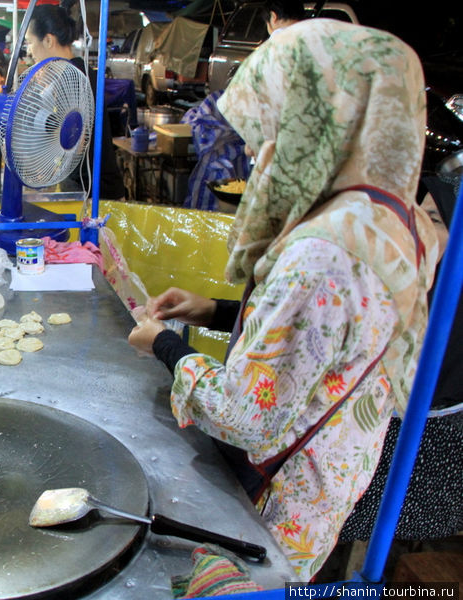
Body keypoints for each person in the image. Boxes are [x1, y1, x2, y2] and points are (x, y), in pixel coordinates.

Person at [126, 19, 438, 580]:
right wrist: (216, 310)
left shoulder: (322, 253)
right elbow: (326, 342)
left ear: (314, 120)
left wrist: (167, 346)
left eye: (270, 121)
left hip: (270, 510)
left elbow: (248, 417)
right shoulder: (399, 222)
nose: (253, 145)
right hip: (327, 483)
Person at [26, 5, 125, 200]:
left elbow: (74, 141)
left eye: (30, 42)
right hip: (90, 187)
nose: (29, 51)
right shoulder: (77, 71)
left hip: (96, 194)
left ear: (48, 40)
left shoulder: (72, 78)